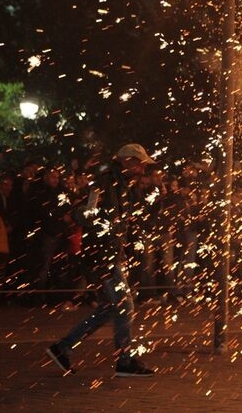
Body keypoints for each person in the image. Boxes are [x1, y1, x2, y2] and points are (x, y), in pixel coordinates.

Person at [46, 144, 157, 377]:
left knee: (110, 308)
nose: (143, 168)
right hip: (102, 256)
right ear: (128, 161)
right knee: (125, 305)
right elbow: (85, 212)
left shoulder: (121, 185)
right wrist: (88, 217)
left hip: (110, 254)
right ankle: (124, 361)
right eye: (140, 163)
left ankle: (62, 347)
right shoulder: (106, 182)